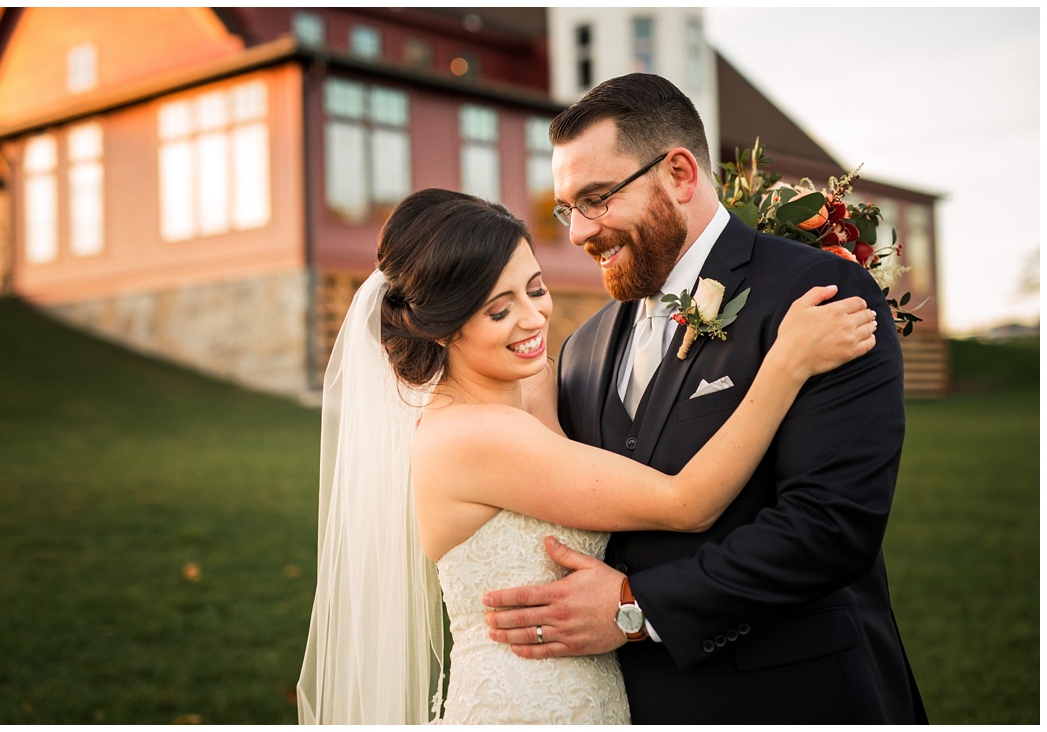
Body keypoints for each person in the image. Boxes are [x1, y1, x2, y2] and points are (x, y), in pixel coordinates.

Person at [297, 187, 879, 724]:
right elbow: (686, 503)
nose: (532, 319)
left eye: (535, 287)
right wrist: (786, 363)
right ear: (445, 329)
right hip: (529, 706)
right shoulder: (473, 436)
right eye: (498, 311)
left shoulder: (530, 388)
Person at [480, 73, 927, 723]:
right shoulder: (581, 350)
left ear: (680, 175)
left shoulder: (820, 296)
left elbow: (831, 527)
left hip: (801, 699)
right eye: (566, 208)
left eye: (597, 199)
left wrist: (636, 608)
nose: (578, 233)